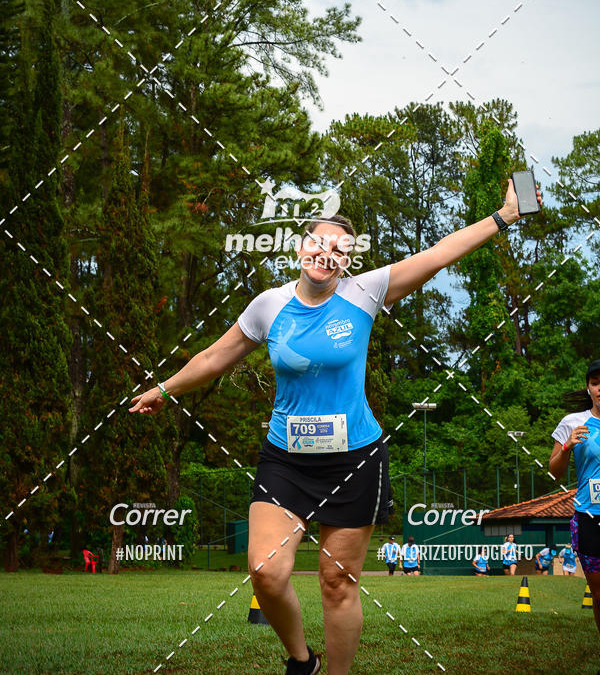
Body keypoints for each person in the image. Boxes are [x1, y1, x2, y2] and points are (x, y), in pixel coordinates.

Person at [130, 178, 540, 675]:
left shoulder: (365, 292)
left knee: (336, 582)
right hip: (286, 460)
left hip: (354, 460)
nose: (327, 254)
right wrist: (165, 388)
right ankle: (303, 661)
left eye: (340, 250)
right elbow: (216, 356)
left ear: (348, 261)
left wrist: (504, 216)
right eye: (319, 243)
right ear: (300, 247)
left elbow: (438, 254)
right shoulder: (268, 305)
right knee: (265, 570)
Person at [549, 359, 600, 641]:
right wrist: (568, 446)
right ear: (589, 388)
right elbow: (554, 472)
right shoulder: (572, 422)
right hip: (589, 517)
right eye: (595, 383)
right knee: (599, 594)